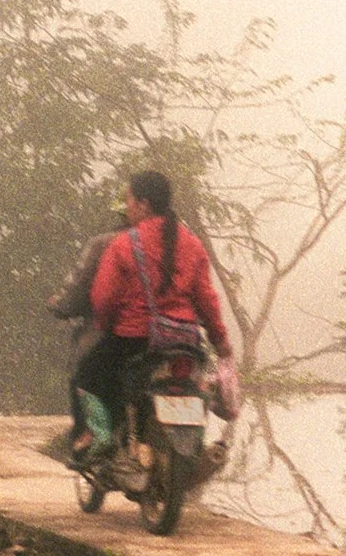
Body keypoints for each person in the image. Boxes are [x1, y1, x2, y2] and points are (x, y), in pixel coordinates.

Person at [73, 169, 233, 460]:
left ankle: (100, 434)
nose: (128, 207)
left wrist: (108, 327)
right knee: (197, 386)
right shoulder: (193, 244)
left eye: (130, 200)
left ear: (144, 204)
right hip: (185, 341)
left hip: (134, 338)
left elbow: (103, 297)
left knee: (86, 374)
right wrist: (220, 339)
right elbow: (206, 298)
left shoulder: (123, 244)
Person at [49, 214, 124, 454]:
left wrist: (61, 305)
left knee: (82, 374)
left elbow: (83, 289)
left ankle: (89, 433)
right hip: (175, 334)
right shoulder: (177, 240)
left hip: (117, 329)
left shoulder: (107, 244)